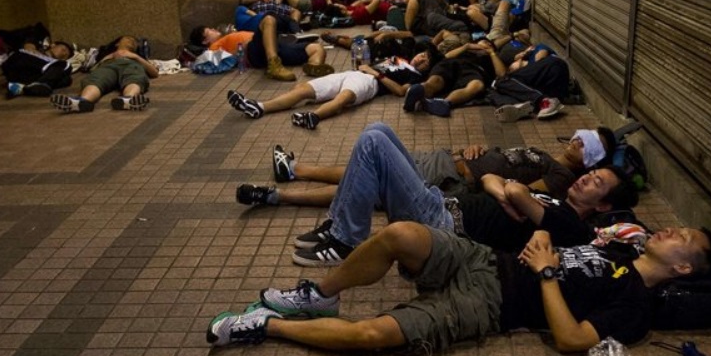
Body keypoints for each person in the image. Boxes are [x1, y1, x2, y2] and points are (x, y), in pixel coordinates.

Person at [210, 218, 711, 354]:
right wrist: (542, 238)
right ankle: (319, 295)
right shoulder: (620, 251)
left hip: (490, 304)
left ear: (685, 270)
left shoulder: (635, 309)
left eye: (685, 239)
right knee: (400, 234)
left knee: (372, 337)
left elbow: (571, 340)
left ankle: (269, 326)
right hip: (482, 259)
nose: (673, 231)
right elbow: (553, 234)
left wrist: (544, 274)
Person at [255, 123, 636, 267]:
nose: (586, 181)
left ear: (603, 205)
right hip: (441, 202)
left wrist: (507, 190)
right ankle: (339, 225)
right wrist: (496, 185)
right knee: (380, 130)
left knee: (373, 143)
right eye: (593, 177)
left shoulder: (570, 225)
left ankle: (344, 239)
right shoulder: (554, 205)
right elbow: (500, 185)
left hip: (443, 225)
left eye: (596, 182)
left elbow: (517, 191)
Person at [245, 127, 617, 211]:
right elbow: (506, 159)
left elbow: (518, 193)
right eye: (580, 137)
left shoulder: (561, 177)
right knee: (366, 165)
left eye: (587, 144)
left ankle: (279, 194)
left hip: (451, 179)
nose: (577, 141)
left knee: (368, 188)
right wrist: (475, 150)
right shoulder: (547, 155)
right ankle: (294, 168)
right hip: (448, 160)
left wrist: (475, 178)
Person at [189, 12, 331, 82]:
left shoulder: (225, 37)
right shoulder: (214, 47)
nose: (214, 30)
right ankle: (274, 65)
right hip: (253, 51)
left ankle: (314, 67)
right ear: (204, 41)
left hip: (273, 46)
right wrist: (240, 49)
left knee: (316, 48)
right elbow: (219, 62)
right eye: (210, 31)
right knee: (269, 19)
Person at [225, 69, 378, 130]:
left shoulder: (402, 69)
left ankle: (313, 117)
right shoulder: (388, 55)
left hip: (371, 79)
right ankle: (260, 107)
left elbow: (400, 90)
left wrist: (376, 73)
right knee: (302, 89)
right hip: (352, 72)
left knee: (343, 98)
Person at [51, 35, 155, 112]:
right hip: (108, 66)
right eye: (128, 38)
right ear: (117, 43)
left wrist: (135, 57)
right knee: (96, 80)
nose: (132, 41)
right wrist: (107, 58)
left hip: (130, 64)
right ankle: (82, 101)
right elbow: (93, 70)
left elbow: (154, 72)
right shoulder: (107, 56)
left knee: (134, 77)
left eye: (135, 42)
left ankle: (129, 99)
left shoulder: (136, 57)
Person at [3, 39, 74, 98]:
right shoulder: (38, 48)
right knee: (65, 65)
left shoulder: (54, 63)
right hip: (19, 61)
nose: (63, 54)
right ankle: (43, 84)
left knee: (67, 80)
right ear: (53, 45)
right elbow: (29, 45)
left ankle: (23, 88)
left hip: (24, 76)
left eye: (66, 56)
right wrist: (35, 51)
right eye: (63, 49)